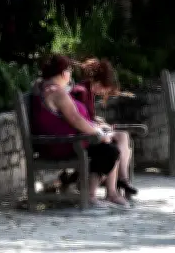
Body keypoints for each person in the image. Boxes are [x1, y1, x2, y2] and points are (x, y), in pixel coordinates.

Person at [31, 54, 129, 208]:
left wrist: (96, 130)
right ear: (64, 73)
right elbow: (75, 119)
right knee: (109, 151)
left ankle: (96, 194)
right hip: (61, 146)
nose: (70, 74)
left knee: (107, 147)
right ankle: (90, 195)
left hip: (55, 143)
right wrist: (98, 134)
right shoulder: (57, 92)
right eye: (69, 70)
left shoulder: (44, 86)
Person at [65, 58, 138, 197]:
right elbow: (79, 119)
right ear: (99, 82)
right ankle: (119, 183)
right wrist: (99, 127)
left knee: (123, 136)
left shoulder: (88, 91)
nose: (105, 92)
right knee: (116, 144)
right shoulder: (81, 92)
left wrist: (99, 123)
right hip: (81, 138)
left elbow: (87, 116)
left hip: (89, 132)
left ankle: (122, 180)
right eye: (106, 88)